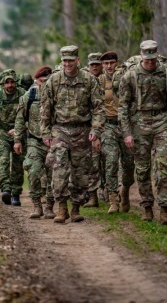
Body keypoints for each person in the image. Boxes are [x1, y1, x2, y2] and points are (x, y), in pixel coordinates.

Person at [118, 40, 167, 225]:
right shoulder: (130, 75)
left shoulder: (166, 73)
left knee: (166, 166)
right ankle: (147, 206)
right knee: (142, 169)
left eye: (152, 59)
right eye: (147, 59)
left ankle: (164, 209)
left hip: (162, 122)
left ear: (156, 56)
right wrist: (126, 133)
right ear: (142, 56)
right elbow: (123, 107)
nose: (150, 62)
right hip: (139, 123)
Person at [40, 45, 105, 224]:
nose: (68, 64)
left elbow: (99, 108)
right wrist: (45, 132)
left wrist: (96, 129)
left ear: (78, 60)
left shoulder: (89, 80)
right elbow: (45, 109)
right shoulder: (53, 81)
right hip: (60, 130)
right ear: (62, 62)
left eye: (71, 60)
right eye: (65, 61)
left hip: (82, 131)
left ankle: (75, 208)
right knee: (59, 169)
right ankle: (62, 208)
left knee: (80, 173)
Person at [13, 66, 55, 219]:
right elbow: (19, 120)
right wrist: (17, 140)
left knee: (53, 176)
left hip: (53, 141)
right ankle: (37, 205)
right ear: (36, 81)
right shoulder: (28, 97)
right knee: (34, 172)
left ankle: (50, 206)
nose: (44, 84)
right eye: (41, 81)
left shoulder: (56, 96)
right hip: (34, 141)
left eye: (47, 81)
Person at [0, 69, 27, 206]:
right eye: (7, 83)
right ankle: (6, 189)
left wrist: (21, 129)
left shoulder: (23, 95)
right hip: (1, 134)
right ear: (2, 84)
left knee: (18, 165)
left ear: (16, 82)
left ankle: (16, 194)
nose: (10, 85)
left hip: (19, 134)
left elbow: (31, 116)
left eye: (12, 82)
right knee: (3, 161)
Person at [98, 51, 134, 213]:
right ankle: (113, 198)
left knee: (128, 164)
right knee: (111, 160)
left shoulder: (127, 78)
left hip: (126, 125)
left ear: (117, 63)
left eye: (112, 63)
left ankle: (125, 189)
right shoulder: (98, 82)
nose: (109, 66)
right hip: (108, 125)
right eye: (106, 64)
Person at [82, 52, 104, 208]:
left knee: (109, 161)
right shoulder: (84, 80)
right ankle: (92, 195)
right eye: (92, 65)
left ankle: (110, 192)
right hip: (90, 125)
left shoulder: (110, 79)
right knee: (92, 162)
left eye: (97, 64)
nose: (95, 67)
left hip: (109, 123)